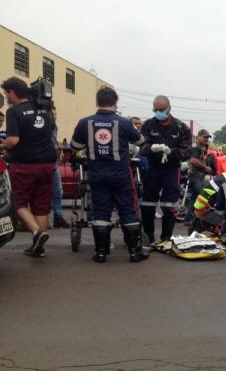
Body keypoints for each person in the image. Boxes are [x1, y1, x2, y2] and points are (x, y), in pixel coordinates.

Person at [70, 86, 147, 262]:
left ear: (97, 102)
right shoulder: (125, 123)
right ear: (115, 102)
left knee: (101, 212)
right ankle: (135, 253)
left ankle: (101, 253)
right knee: (128, 210)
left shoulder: (85, 122)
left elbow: (75, 146)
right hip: (121, 174)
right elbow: (141, 142)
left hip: (97, 174)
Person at [1, 77, 57, 257]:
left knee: (18, 201)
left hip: (24, 164)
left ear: (12, 92)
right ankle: (38, 246)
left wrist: (3, 145)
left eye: (6, 94)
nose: (6, 98)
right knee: (41, 203)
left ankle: (37, 232)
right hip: (48, 163)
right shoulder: (44, 108)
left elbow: (13, 140)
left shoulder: (14, 111)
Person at [139, 95, 192, 243]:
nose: (158, 112)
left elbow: (187, 151)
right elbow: (140, 146)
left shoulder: (181, 128)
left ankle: (165, 239)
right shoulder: (148, 125)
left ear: (169, 108)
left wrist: (172, 152)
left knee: (169, 207)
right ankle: (148, 237)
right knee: (147, 205)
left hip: (171, 169)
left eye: (161, 109)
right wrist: (151, 148)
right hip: (152, 168)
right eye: (155, 109)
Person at [49, 104, 69, 229]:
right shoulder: (44, 126)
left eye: (56, 114)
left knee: (58, 191)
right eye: (53, 114)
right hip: (44, 161)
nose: (55, 116)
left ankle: (58, 216)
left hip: (53, 162)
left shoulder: (54, 127)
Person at [187, 129, 215, 221]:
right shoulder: (196, 147)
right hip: (196, 175)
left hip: (196, 174)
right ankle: (197, 217)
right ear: (198, 136)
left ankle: (189, 218)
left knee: (194, 196)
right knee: (203, 194)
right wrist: (205, 168)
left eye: (207, 137)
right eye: (204, 137)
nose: (206, 139)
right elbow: (193, 160)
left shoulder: (201, 147)